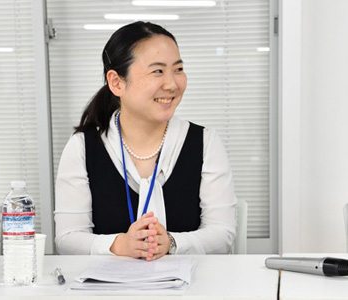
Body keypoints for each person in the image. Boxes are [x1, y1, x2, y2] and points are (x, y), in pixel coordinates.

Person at [54, 21, 237, 261]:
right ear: (117, 82)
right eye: (157, 71)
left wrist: (171, 242)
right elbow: (67, 238)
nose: (172, 84)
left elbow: (222, 234)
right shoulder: (83, 147)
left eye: (178, 69)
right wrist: (119, 244)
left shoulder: (205, 143)